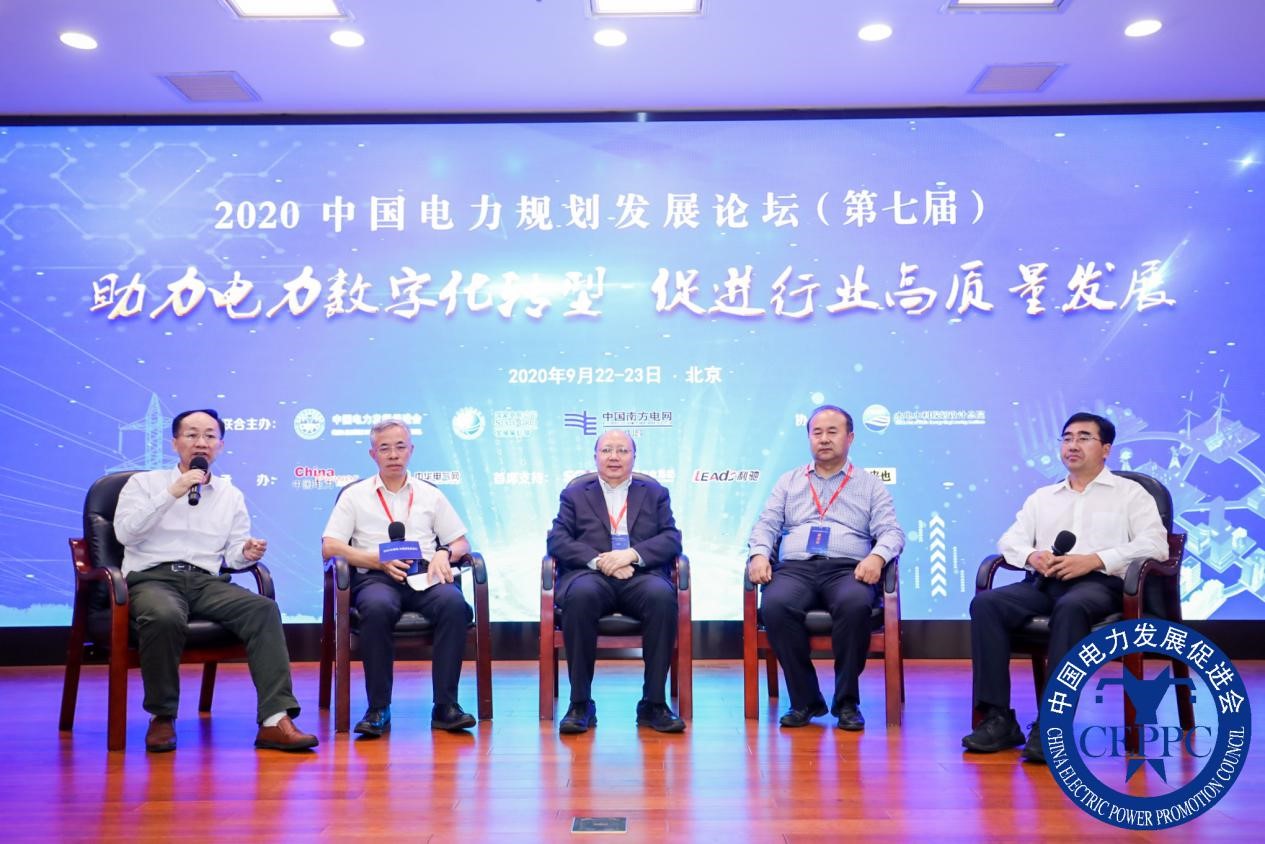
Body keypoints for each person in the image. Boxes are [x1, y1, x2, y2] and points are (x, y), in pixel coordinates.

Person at [962, 411, 1168, 762]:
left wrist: (1096, 559)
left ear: (1106, 449)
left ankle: (1052, 724)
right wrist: (1032, 556)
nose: (1073, 445)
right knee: (987, 604)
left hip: (1100, 586)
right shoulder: (1043, 497)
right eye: (1067, 438)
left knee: (1071, 607)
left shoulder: (1131, 494)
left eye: (1084, 438)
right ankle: (998, 718)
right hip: (1045, 583)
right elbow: (1009, 541)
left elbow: (1156, 545)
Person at [114, 408, 317, 753]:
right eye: (192, 434)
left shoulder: (229, 494)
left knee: (263, 610)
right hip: (153, 578)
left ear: (220, 446)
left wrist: (246, 553)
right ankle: (162, 716)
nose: (201, 442)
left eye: (210, 436)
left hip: (206, 581)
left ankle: (274, 720)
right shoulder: (143, 484)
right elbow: (126, 534)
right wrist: (173, 492)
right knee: (164, 616)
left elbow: (233, 555)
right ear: (175, 442)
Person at [746, 405, 905, 731]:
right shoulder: (789, 481)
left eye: (832, 432)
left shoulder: (870, 485)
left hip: (848, 570)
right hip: (796, 568)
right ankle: (805, 700)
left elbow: (892, 532)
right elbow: (766, 524)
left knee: (855, 605)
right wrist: (759, 554)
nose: (824, 439)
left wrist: (877, 558)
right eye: (817, 433)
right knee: (775, 605)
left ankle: (847, 702)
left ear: (850, 438)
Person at [321, 419, 476, 735]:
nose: (393, 454)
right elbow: (330, 546)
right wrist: (375, 561)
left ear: (411, 450)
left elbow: (461, 543)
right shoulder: (355, 495)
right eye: (385, 448)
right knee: (377, 609)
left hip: (423, 575)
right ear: (373, 454)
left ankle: (445, 706)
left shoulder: (429, 494)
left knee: (454, 605)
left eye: (400, 447)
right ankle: (378, 708)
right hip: (375, 578)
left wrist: (445, 553)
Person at [546, 430, 685, 734]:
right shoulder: (574, 495)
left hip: (640, 575)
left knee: (662, 597)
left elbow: (672, 538)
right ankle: (580, 703)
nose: (614, 457)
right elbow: (557, 540)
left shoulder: (655, 493)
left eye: (622, 450)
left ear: (634, 457)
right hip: (591, 576)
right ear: (595, 456)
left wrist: (631, 555)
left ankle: (654, 703)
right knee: (580, 597)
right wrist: (601, 561)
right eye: (607, 450)